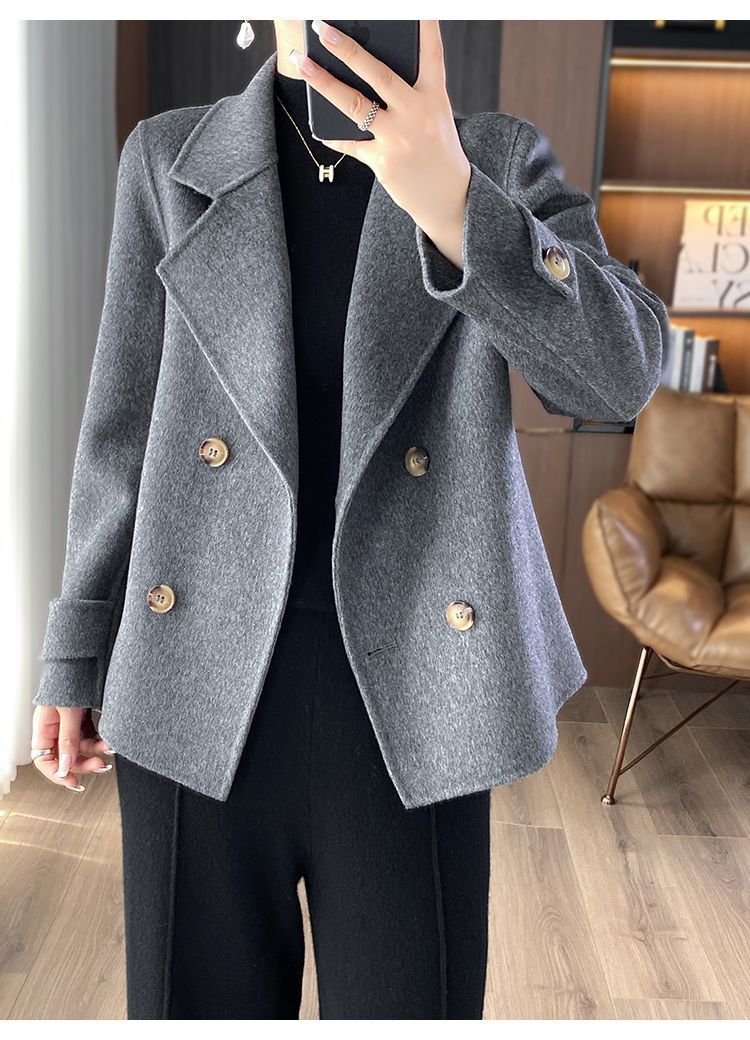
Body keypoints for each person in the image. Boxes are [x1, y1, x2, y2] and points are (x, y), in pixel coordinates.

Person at [29, 19, 669, 1020]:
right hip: (193, 686)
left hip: (419, 701)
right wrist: (75, 651)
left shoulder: (495, 161)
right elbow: (122, 422)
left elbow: (618, 376)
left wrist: (456, 204)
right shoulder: (168, 157)